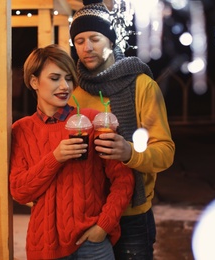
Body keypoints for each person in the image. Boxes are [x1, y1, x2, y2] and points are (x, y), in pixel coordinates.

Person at [68, 1, 176, 259]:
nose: (87, 47)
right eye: (80, 41)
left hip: (132, 217)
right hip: (88, 216)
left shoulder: (142, 85)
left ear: (111, 39)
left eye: (94, 38)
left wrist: (129, 152)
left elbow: (165, 152)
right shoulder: (73, 93)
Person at [9, 44, 134, 259]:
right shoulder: (22, 129)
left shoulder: (93, 120)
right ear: (34, 82)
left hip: (92, 244)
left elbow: (123, 179)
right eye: (55, 78)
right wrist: (55, 158)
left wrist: (103, 226)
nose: (65, 86)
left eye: (68, 78)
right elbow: (20, 192)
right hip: (45, 245)